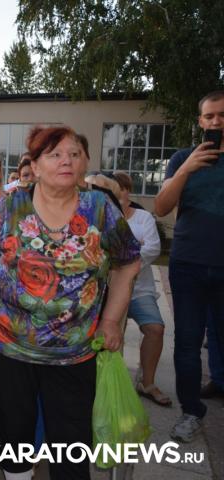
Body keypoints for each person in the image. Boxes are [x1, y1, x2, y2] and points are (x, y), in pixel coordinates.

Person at [0, 126, 141, 480]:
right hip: (8, 344)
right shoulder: (11, 206)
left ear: (85, 163)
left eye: (74, 154)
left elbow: (128, 263)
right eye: (55, 155)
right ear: (34, 165)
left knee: (71, 444)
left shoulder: (99, 209)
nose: (67, 161)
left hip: (74, 350)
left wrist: (111, 321)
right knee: (14, 436)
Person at [154, 90, 224, 442]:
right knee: (187, 343)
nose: (216, 122)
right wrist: (185, 169)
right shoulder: (183, 158)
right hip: (188, 265)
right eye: (210, 116)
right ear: (200, 121)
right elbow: (161, 207)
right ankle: (191, 411)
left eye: (222, 115)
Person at [111, 171, 171, 406]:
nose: (119, 194)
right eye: (113, 190)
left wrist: (121, 260)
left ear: (128, 192)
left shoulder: (143, 218)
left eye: (122, 189)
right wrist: (136, 246)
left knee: (155, 329)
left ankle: (147, 383)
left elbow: (153, 248)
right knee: (113, 335)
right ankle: (113, 385)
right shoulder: (103, 216)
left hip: (139, 290)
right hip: (110, 292)